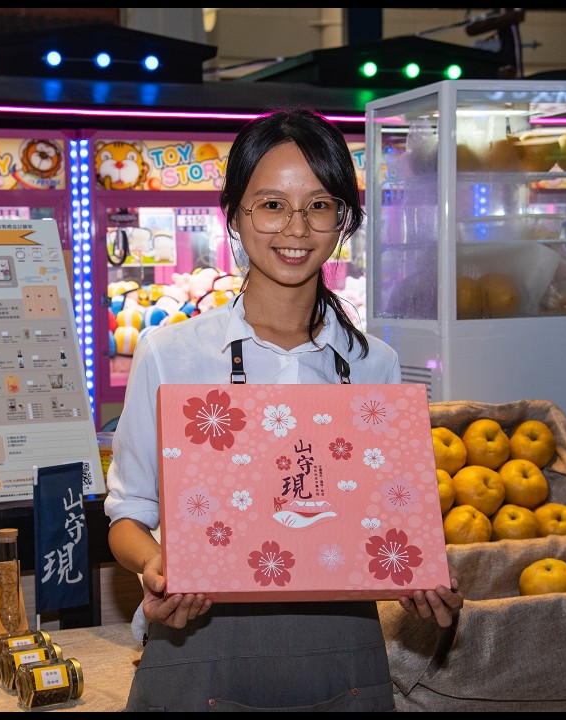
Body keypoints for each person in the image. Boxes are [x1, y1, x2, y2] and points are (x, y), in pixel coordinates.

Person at [103, 106, 462, 712]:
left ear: (343, 219)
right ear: (236, 217)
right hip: (199, 640)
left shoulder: (372, 365)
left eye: (320, 205)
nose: (296, 228)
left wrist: (419, 572)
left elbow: (384, 517)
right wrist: (159, 567)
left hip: (342, 651)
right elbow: (126, 518)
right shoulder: (172, 355)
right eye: (271, 204)